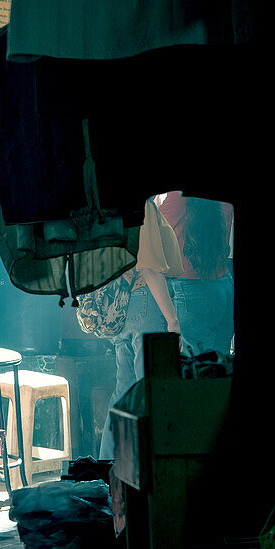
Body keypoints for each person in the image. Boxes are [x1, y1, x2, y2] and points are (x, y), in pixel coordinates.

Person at [98, 197, 184, 460]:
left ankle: (108, 465)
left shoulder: (118, 205)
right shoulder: (143, 206)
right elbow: (148, 268)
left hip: (122, 306)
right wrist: (173, 320)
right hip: (145, 302)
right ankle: (146, 469)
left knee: (123, 392)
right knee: (150, 391)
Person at [157, 192, 234, 357]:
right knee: (220, 367)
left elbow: (150, 234)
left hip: (193, 290)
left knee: (197, 370)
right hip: (224, 283)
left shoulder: (176, 199)